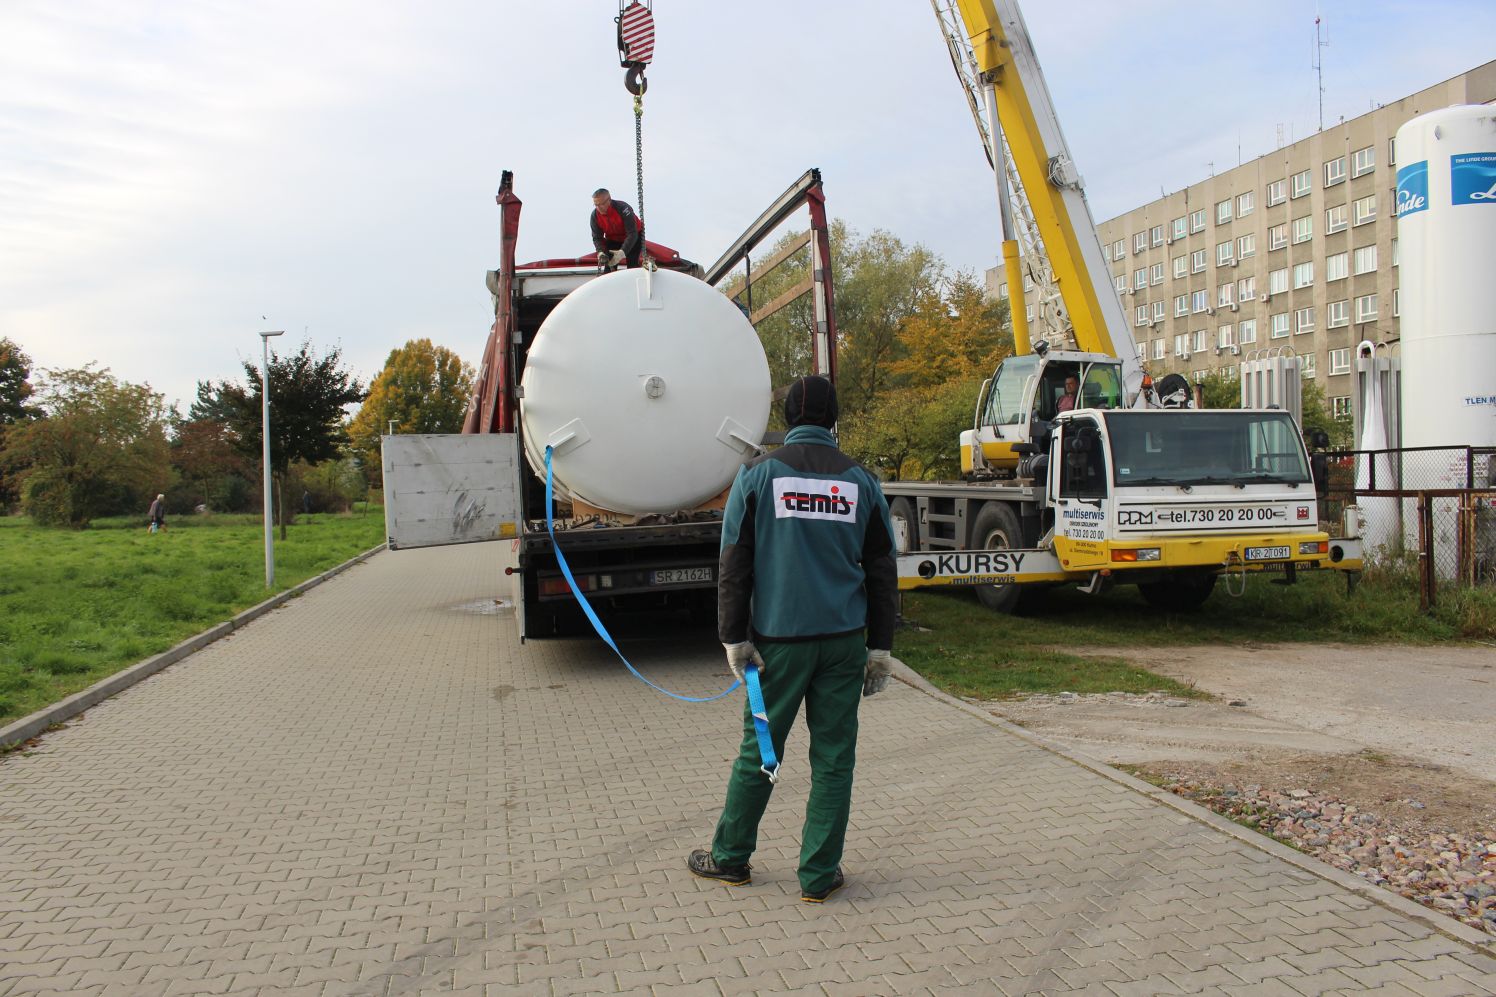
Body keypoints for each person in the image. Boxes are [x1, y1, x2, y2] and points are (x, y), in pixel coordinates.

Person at [688, 375, 903, 904]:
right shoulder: (862, 481)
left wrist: (733, 638)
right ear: (834, 421)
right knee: (834, 759)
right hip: (844, 644)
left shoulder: (757, 477)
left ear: (787, 419)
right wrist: (881, 646)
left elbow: (734, 563)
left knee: (761, 751)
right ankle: (818, 875)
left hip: (778, 648)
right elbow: (881, 570)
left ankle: (731, 859)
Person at [589, 188, 644, 270]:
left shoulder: (623, 208)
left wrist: (622, 252)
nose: (599, 208)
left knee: (632, 265)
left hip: (634, 236)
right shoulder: (595, 216)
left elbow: (632, 233)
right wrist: (600, 252)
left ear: (609, 200)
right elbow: (597, 237)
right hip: (613, 239)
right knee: (608, 267)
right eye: (596, 205)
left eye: (602, 204)